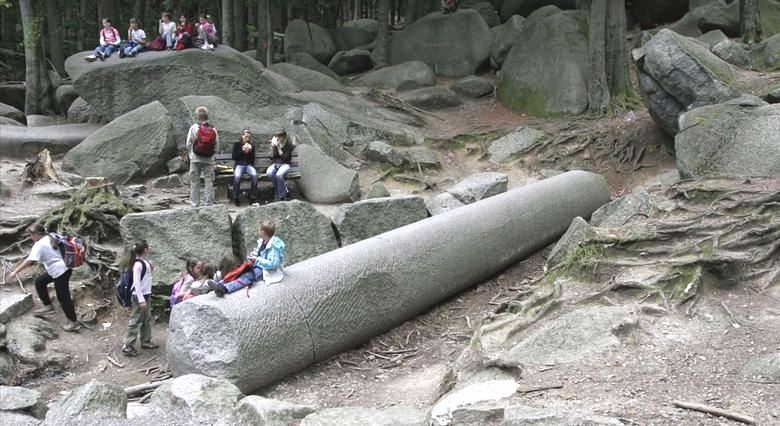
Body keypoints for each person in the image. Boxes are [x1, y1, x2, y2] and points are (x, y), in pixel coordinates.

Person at [7, 224, 80, 332]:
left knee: (63, 297)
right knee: (40, 282)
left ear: (36, 234)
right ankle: (48, 306)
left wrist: (14, 272)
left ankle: (73, 322)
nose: (30, 238)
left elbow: (29, 261)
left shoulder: (39, 245)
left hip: (60, 271)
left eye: (31, 235)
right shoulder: (51, 236)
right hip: (61, 268)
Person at [208, 221, 285, 297]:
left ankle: (225, 289)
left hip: (267, 270)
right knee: (239, 271)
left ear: (263, 232)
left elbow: (273, 264)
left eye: (259, 229)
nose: (258, 231)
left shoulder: (274, 247)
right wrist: (252, 256)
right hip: (258, 265)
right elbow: (258, 252)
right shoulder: (262, 241)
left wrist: (257, 260)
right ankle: (219, 283)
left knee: (247, 276)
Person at [122, 240, 157, 356]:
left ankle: (146, 340)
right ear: (145, 249)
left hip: (146, 294)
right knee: (136, 320)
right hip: (138, 296)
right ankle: (128, 345)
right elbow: (136, 283)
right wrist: (141, 300)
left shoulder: (145, 261)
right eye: (148, 247)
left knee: (147, 318)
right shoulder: (137, 264)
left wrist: (151, 268)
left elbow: (146, 276)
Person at [186, 106, 219, 207]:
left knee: (194, 181)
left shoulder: (194, 128)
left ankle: (195, 203)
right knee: (209, 181)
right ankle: (208, 203)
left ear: (197, 116)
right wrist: (212, 155)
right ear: (207, 116)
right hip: (209, 159)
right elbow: (217, 145)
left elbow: (188, 143)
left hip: (195, 158)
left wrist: (191, 154)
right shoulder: (213, 129)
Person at [231, 129, 258, 206]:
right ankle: (236, 197)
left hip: (248, 165)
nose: (247, 139)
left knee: (254, 175)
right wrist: (242, 151)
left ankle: (253, 197)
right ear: (242, 136)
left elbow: (252, 160)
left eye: (249, 137)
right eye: (246, 137)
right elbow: (234, 157)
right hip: (239, 165)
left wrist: (250, 151)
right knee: (237, 177)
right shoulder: (237, 144)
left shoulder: (251, 145)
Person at [267, 130, 294, 202]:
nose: (278, 138)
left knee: (279, 175)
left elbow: (284, 158)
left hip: (286, 164)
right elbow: (271, 157)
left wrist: (278, 148)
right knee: (269, 173)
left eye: (279, 137)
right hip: (275, 164)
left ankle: (282, 197)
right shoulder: (275, 144)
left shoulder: (289, 145)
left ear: (284, 137)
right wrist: (272, 147)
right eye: (277, 137)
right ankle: (284, 190)